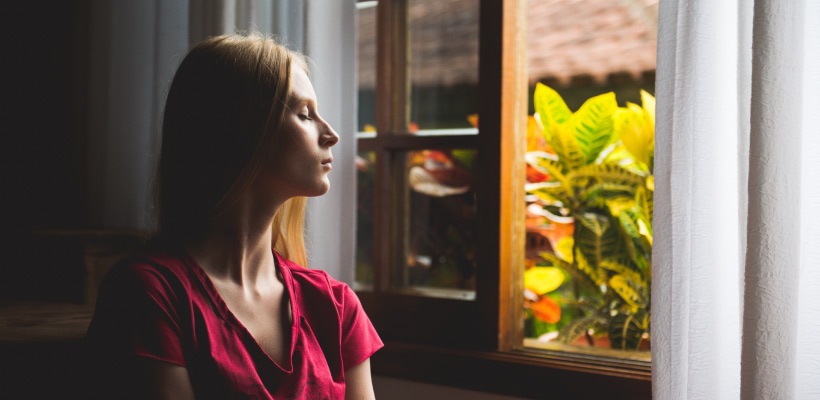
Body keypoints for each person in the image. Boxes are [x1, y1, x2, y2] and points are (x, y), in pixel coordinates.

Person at [86, 33, 383, 399]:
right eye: (305, 114)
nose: (332, 134)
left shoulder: (336, 308)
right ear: (239, 129)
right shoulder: (150, 294)